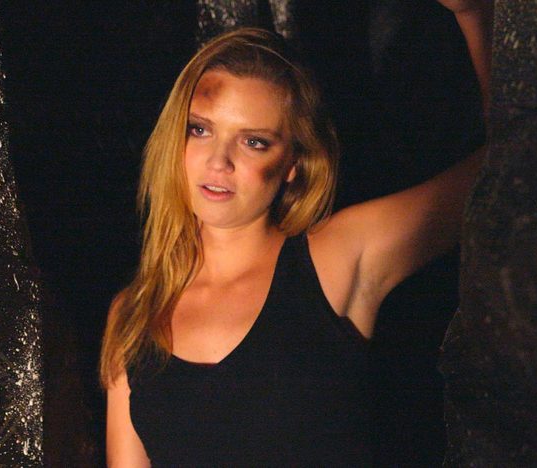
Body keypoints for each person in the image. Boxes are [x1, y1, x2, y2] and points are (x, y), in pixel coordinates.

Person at [101, 1, 491, 465]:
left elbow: (500, 168)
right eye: (200, 130)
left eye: (253, 142)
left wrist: (473, 17)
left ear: (293, 163)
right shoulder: (134, 312)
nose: (218, 161)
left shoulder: (334, 259)